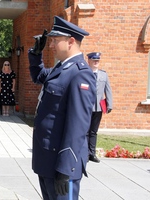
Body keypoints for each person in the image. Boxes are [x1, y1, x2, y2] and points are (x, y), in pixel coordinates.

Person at [28, 16, 96, 200]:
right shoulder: (62, 68)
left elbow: (78, 126)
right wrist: (35, 54)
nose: (51, 45)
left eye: (55, 41)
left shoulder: (80, 75)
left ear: (71, 41)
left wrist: (65, 168)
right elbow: (39, 76)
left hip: (62, 163)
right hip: (48, 161)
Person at [86, 52, 113, 163]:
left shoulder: (103, 75)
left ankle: (91, 153)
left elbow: (108, 90)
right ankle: (84, 153)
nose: (96, 62)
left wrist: (109, 104)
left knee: (93, 131)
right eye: (94, 60)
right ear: (89, 61)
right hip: (86, 106)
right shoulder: (84, 73)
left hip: (98, 107)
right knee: (85, 131)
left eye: (98, 60)